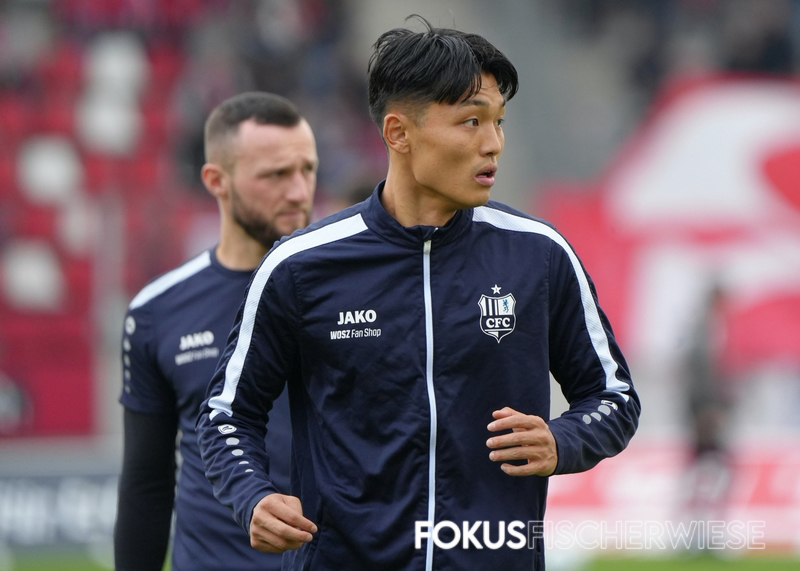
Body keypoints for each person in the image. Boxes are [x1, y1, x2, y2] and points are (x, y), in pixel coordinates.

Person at [197, 18, 640, 571]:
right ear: (399, 133)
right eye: (471, 121)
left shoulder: (540, 255)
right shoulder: (299, 267)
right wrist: (253, 496)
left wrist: (562, 440)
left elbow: (614, 396)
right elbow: (226, 413)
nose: (493, 144)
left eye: (499, 122)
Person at [114, 92, 318, 571]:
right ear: (216, 181)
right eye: (275, 175)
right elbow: (147, 480)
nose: (298, 191)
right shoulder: (157, 311)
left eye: (307, 169)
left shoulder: (350, 291)